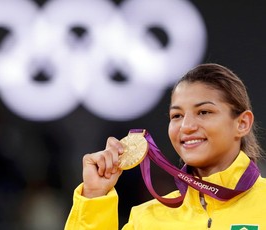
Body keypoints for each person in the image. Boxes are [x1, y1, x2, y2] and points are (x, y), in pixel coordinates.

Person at [64, 63, 266, 229]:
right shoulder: (146, 220)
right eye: (177, 116)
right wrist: (93, 197)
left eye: (204, 112)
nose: (186, 127)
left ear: (242, 123)